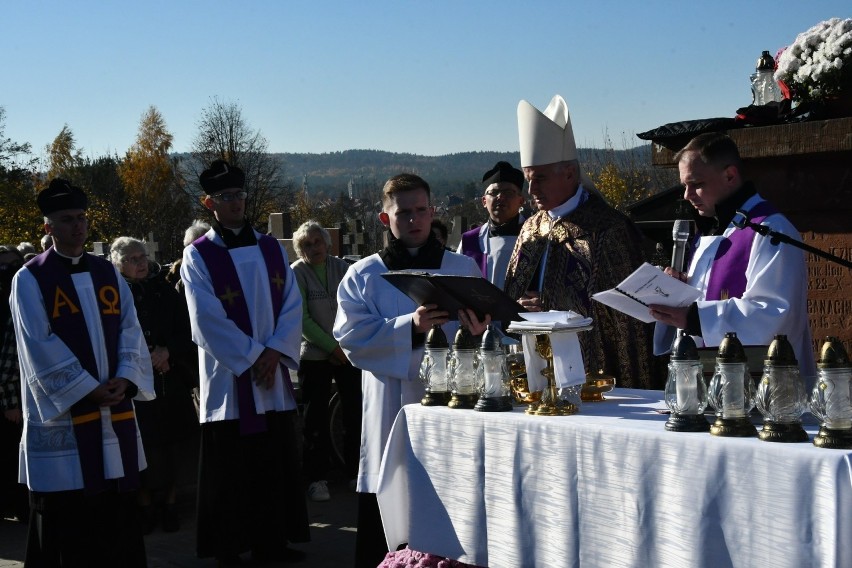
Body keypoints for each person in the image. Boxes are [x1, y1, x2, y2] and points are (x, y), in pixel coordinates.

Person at [333, 173, 490, 568]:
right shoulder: (364, 274)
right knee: (393, 502)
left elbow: (490, 334)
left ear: (433, 212)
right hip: (390, 411)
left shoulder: (463, 268)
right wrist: (410, 328)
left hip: (453, 411)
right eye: (404, 212)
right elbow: (350, 338)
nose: (415, 220)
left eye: (421, 211)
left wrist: (479, 332)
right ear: (385, 219)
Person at [10, 178, 154, 566]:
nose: (78, 225)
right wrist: (87, 389)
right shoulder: (29, 278)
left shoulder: (107, 272)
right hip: (66, 423)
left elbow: (130, 328)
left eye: (81, 217)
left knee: (117, 519)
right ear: (48, 228)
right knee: (68, 524)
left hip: (113, 413)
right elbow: (36, 343)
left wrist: (125, 377)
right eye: (67, 219)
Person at [180, 160, 309, 565]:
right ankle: (228, 547)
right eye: (224, 197)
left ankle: (272, 541)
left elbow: (293, 305)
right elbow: (204, 319)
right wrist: (256, 356)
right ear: (209, 203)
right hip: (229, 382)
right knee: (231, 473)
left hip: (270, 377)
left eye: (238, 195)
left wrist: (274, 352)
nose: (234, 203)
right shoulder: (197, 255)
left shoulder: (271, 247)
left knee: (272, 466)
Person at [504, 95, 658, 388]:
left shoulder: (609, 229)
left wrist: (554, 308)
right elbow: (512, 297)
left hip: (591, 370)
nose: (531, 189)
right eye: (528, 179)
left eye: (540, 178)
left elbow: (627, 318)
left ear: (570, 173)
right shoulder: (531, 229)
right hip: (534, 366)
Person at [649, 132, 815, 375]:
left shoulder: (769, 229)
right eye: (685, 186)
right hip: (709, 381)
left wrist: (694, 318)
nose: (687, 195)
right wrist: (679, 292)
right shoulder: (713, 231)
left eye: (696, 184)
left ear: (729, 175)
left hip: (765, 386)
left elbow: (774, 313)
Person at [110, 236, 197, 534]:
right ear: (118, 264)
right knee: (142, 445)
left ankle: (170, 504)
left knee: (172, 444)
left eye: (142, 257)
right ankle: (144, 504)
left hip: (168, 378)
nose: (141, 263)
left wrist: (166, 351)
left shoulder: (165, 291)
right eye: (133, 259)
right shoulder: (113, 294)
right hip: (134, 382)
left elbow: (186, 330)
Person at [291, 221, 362, 502]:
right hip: (315, 355)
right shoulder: (297, 273)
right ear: (299, 249)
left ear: (326, 243)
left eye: (317, 242)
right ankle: (316, 478)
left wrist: (344, 346)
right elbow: (302, 319)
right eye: (306, 244)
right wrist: (332, 347)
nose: (313, 248)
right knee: (314, 418)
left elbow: (356, 306)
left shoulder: (342, 268)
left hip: (347, 353)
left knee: (354, 414)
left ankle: (356, 471)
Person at [458, 161, 527, 290]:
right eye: (494, 193)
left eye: (508, 193)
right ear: (484, 201)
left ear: (521, 201)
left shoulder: (538, 237)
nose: (500, 197)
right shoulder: (469, 241)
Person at [0, 245, 28, 524]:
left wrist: (10, 401)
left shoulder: (21, 293)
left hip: (18, 399)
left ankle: (21, 506)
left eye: (13, 265)